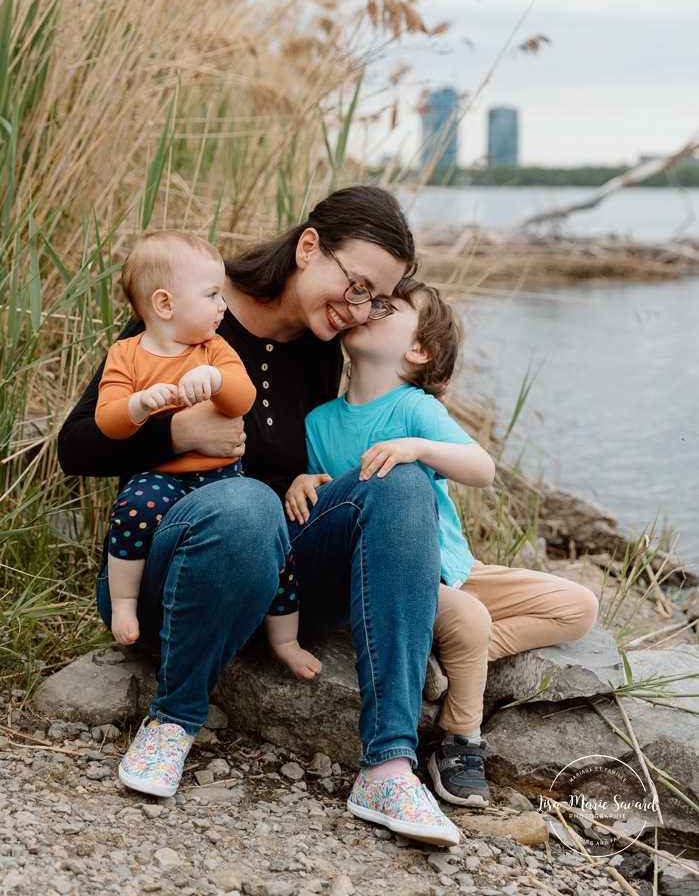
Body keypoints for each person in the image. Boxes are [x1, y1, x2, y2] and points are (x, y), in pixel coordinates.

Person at [57, 186, 461, 848]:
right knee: (244, 502)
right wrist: (178, 433)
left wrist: (305, 480)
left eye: (373, 299)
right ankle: (172, 720)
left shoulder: (318, 348)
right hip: (170, 577)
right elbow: (76, 447)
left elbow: (275, 466)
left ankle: (388, 766)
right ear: (308, 248)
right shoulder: (192, 307)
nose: (357, 310)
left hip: (278, 590)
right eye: (353, 284)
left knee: (399, 477)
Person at [284, 277, 599, 808]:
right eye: (373, 302)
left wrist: (418, 447)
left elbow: (481, 468)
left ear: (418, 349)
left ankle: (458, 658)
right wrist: (300, 482)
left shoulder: (415, 409)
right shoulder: (320, 422)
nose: (371, 308)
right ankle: (459, 738)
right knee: (470, 618)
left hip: (455, 565)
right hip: (395, 580)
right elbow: (325, 505)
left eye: (389, 306)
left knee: (580, 606)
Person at [96, 231, 256, 647]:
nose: (223, 305)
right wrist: (138, 405)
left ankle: (280, 632)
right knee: (132, 507)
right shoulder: (126, 355)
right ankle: (125, 601)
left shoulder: (213, 349)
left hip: (219, 477)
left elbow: (244, 397)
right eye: (212, 295)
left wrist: (216, 379)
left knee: (255, 519)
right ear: (165, 304)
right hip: (159, 477)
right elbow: (107, 422)